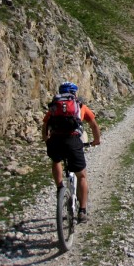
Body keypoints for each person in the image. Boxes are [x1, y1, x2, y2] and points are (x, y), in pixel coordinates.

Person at [41, 81, 101, 223]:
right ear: (74, 93)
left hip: (56, 141)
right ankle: (82, 211)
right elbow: (93, 125)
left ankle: (60, 187)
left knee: (56, 160)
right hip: (73, 141)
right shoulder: (80, 107)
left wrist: (46, 139)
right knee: (82, 176)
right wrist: (96, 140)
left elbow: (45, 125)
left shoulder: (54, 108)